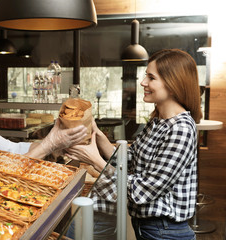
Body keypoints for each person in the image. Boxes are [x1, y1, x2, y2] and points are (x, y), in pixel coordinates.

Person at [65, 49, 202, 240]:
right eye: (146, 75)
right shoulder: (158, 122)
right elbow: (131, 160)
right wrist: (100, 140)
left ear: (173, 84)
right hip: (150, 228)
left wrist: (95, 160)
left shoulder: (181, 129)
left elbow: (143, 191)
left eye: (151, 77)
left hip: (165, 232)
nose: (143, 82)